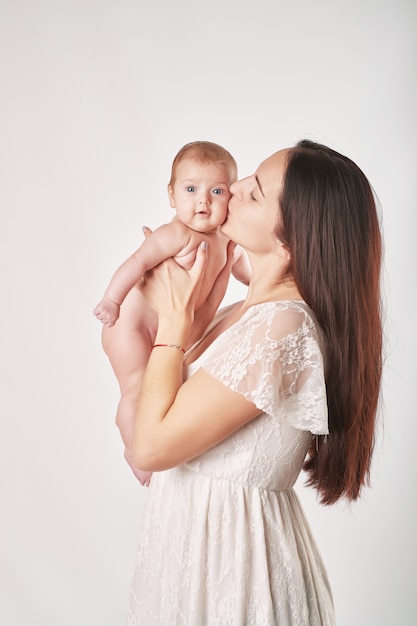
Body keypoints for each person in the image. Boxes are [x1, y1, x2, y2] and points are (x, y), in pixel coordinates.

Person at [107, 139, 383, 625]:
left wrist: (173, 320)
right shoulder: (242, 313)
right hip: (188, 560)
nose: (230, 190)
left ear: (291, 240)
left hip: (236, 575)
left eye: (253, 191)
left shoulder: (283, 329)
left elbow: (150, 448)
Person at [96, 141, 250, 485]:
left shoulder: (226, 239)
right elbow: (137, 262)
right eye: (191, 189)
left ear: (231, 197)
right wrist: (112, 300)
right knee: (136, 386)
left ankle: (151, 436)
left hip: (171, 332)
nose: (203, 201)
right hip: (130, 325)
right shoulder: (176, 234)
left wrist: (258, 283)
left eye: (217, 191)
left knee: (165, 386)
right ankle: (134, 446)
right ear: (171, 195)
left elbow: (242, 271)